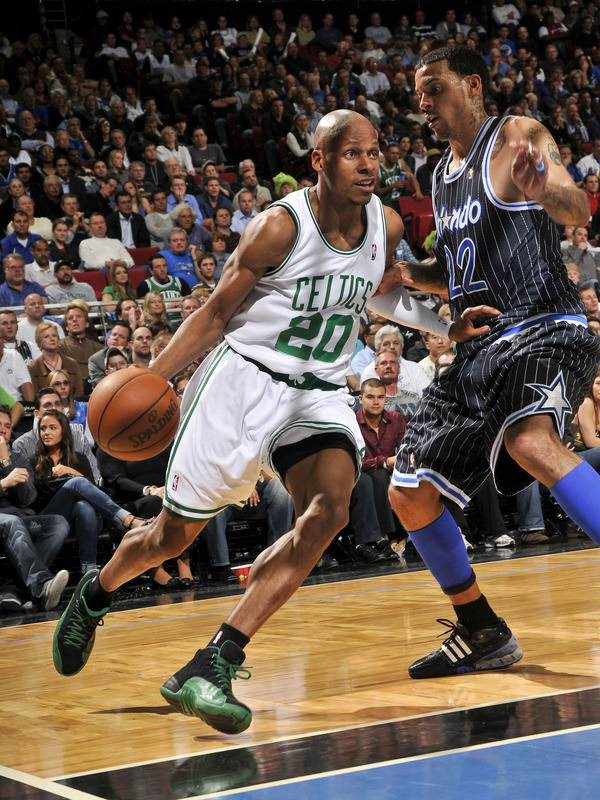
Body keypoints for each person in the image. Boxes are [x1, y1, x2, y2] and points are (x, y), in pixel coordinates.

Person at [52, 109, 493, 733]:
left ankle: (214, 662)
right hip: (242, 382)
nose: (368, 164)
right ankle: (97, 593)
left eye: (375, 153)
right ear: (319, 161)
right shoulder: (278, 228)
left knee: (330, 509)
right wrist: (156, 378)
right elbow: (213, 313)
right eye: (352, 154)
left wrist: (448, 327)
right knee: (170, 538)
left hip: (315, 391)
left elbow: (379, 291)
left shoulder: (385, 224)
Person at [361, 45, 600, 681]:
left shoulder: (516, 135)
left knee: (529, 440)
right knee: (407, 492)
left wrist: (544, 187)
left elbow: (575, 208)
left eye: (433, 90)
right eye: (417, 96)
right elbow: (459, 268)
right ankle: (481, 629)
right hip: (476, 350)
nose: (423, 106)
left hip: (545, 327)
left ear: (470, 86)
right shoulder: (440, 175)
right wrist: (414, 274)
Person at [31, 409, 145, 574]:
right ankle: (126, 519)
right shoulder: (35, 461)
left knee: (84, 507)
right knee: (77, 484)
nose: (46, 432)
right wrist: (70, 481)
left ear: (63, 430)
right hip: (53, 517)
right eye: (43, 428)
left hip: (83, 518)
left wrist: (70, 472)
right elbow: (36, 500)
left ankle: (89, 570)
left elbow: (94, 491)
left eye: (52, 428)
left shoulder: (79, 458)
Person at [0, 405, 70, 611]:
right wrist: (4, 483)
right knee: (13, 522)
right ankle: (42, 586)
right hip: (8, 520)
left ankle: (13, 589)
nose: (3, 430)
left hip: (18, 519)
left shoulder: (19, 458)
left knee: (57, 523)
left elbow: (25, 500)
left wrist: (6, 462)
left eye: (7, 426)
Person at [28, 322, 83, 396]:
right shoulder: (33, 367)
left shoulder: (72, 363)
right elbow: (35, 395)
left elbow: (79, 392)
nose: (52, 339)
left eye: (54, 335)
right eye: (46, 336)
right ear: (39, 342)